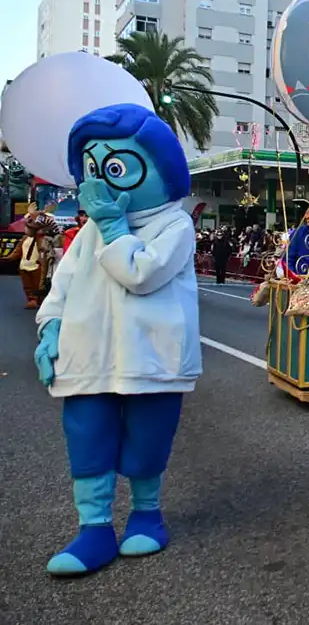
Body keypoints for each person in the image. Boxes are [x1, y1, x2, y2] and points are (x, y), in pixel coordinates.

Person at [33, 103, 201, 576]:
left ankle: (147, 515)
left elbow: (140, 274)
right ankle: (94, 528)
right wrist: (49, 330)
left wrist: (113, 227)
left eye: (113, 167)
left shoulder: (175, 224)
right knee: (87, 437)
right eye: (91, 168)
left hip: (152, 358)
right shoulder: (87, 232)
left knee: (147, 440)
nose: (100, 182)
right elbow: (61, 287)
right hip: (86, 357)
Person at [19, 210, 59, 309]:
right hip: (26, 264)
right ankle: (33, 298)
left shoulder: (47, 237)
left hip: (43, 262)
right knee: (29, 283)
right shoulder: (26, 238)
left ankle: (40, 298)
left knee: (44, 279)